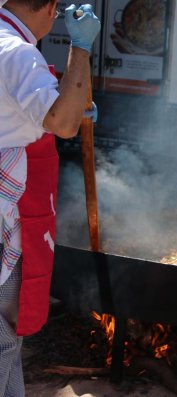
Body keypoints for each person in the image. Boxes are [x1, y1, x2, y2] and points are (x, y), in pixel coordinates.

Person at [0, 1, 100, 395]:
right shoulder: (19, 52)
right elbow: (60, 122)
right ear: (50, 8)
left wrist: (77, 103)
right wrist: (82, 48)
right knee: (4, 339)